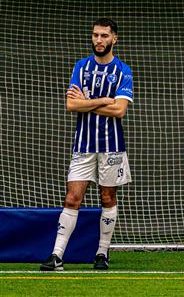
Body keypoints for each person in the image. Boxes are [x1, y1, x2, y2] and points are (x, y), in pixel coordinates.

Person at [40, 18, 133, 271]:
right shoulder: (80, 67)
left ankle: (102, 253)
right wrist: (105, 100)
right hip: (83, 146)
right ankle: (57, 255)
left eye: (104, 36)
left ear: (114, 38)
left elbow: (120, 110)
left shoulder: (123, 70)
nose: (98, 40)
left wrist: (89, 101)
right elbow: (71, 105)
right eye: (95, 35)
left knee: (107, 197)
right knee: (72, 198)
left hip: (112, 147)